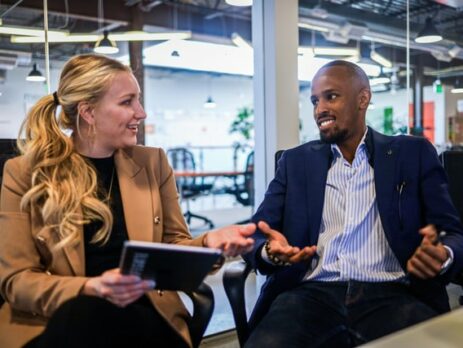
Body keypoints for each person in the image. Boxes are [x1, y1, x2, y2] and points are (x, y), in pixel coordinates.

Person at [0, 54, 256, 348]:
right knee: (85, 312)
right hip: (61, 318)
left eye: (139, 100)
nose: (142, 113)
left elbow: (173, 247)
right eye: (127, 102)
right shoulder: (25, 174)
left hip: (142, 314)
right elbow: (16, 280)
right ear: (89, 112)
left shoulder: (152, 163)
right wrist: (90, 287)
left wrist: (209, 243)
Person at [243, 60, 463, 347]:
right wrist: (269, 252)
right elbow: (256, 232)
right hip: (310, 295)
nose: (319, 109)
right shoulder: (295, 162)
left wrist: (443, 255)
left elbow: (452, 232)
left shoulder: (412, 154)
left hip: (393, 292)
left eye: (331, 96)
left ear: (363, 98)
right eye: (314, 100)